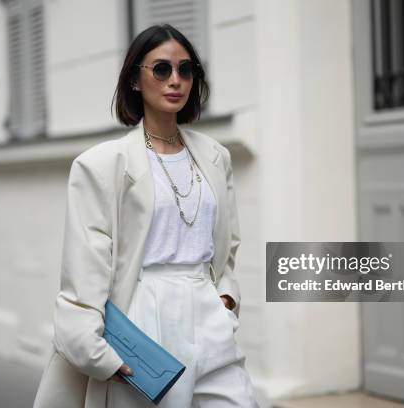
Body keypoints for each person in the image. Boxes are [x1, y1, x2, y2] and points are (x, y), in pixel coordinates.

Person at [33, 24, 259, 408]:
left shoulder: (215, 156)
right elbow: (84, 267)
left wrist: (225, 298)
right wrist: (99, 351)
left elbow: (227, 246)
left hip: (207, 315)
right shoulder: (101, 165)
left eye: (185, 70)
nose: (175, 80)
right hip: (143, 317)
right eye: (161, 69)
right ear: (135, 80)